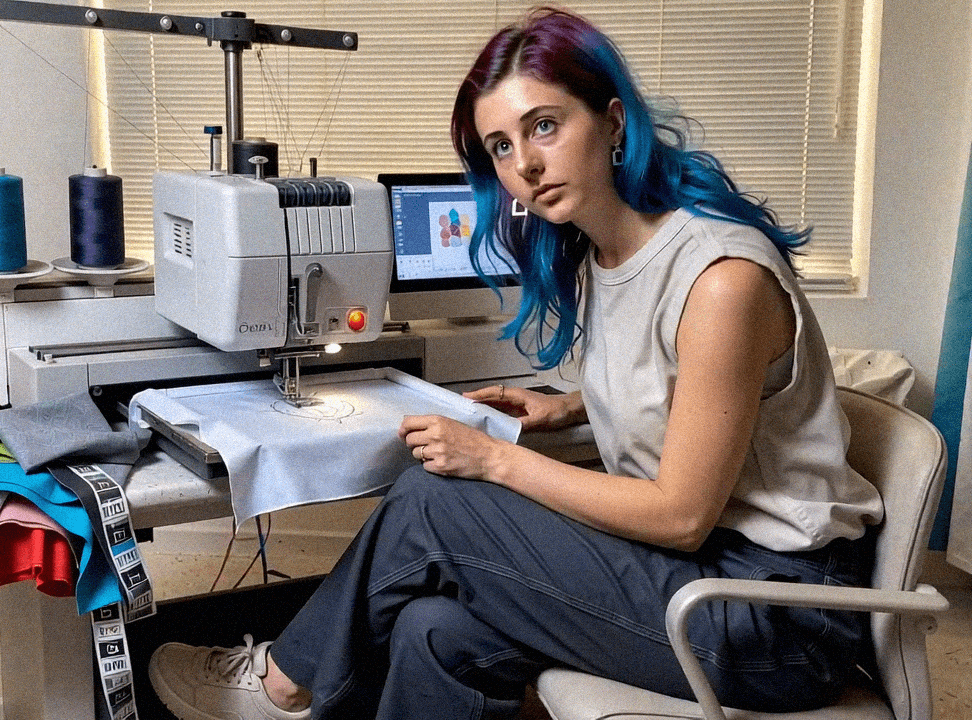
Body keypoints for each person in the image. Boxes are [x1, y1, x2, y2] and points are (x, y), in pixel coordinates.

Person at [147, 7, 885, 720]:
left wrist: (494, 461)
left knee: (435, 503)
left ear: (614, 122)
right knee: (434, 632)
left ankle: (281, 687)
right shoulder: (606, 256)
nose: (525, 164)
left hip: (775, 619)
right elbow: (692, 399)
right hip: (705, 581)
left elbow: (682, 514)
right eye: (501, 146)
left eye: (545, 125)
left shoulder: (722, 278)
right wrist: (570, 406)